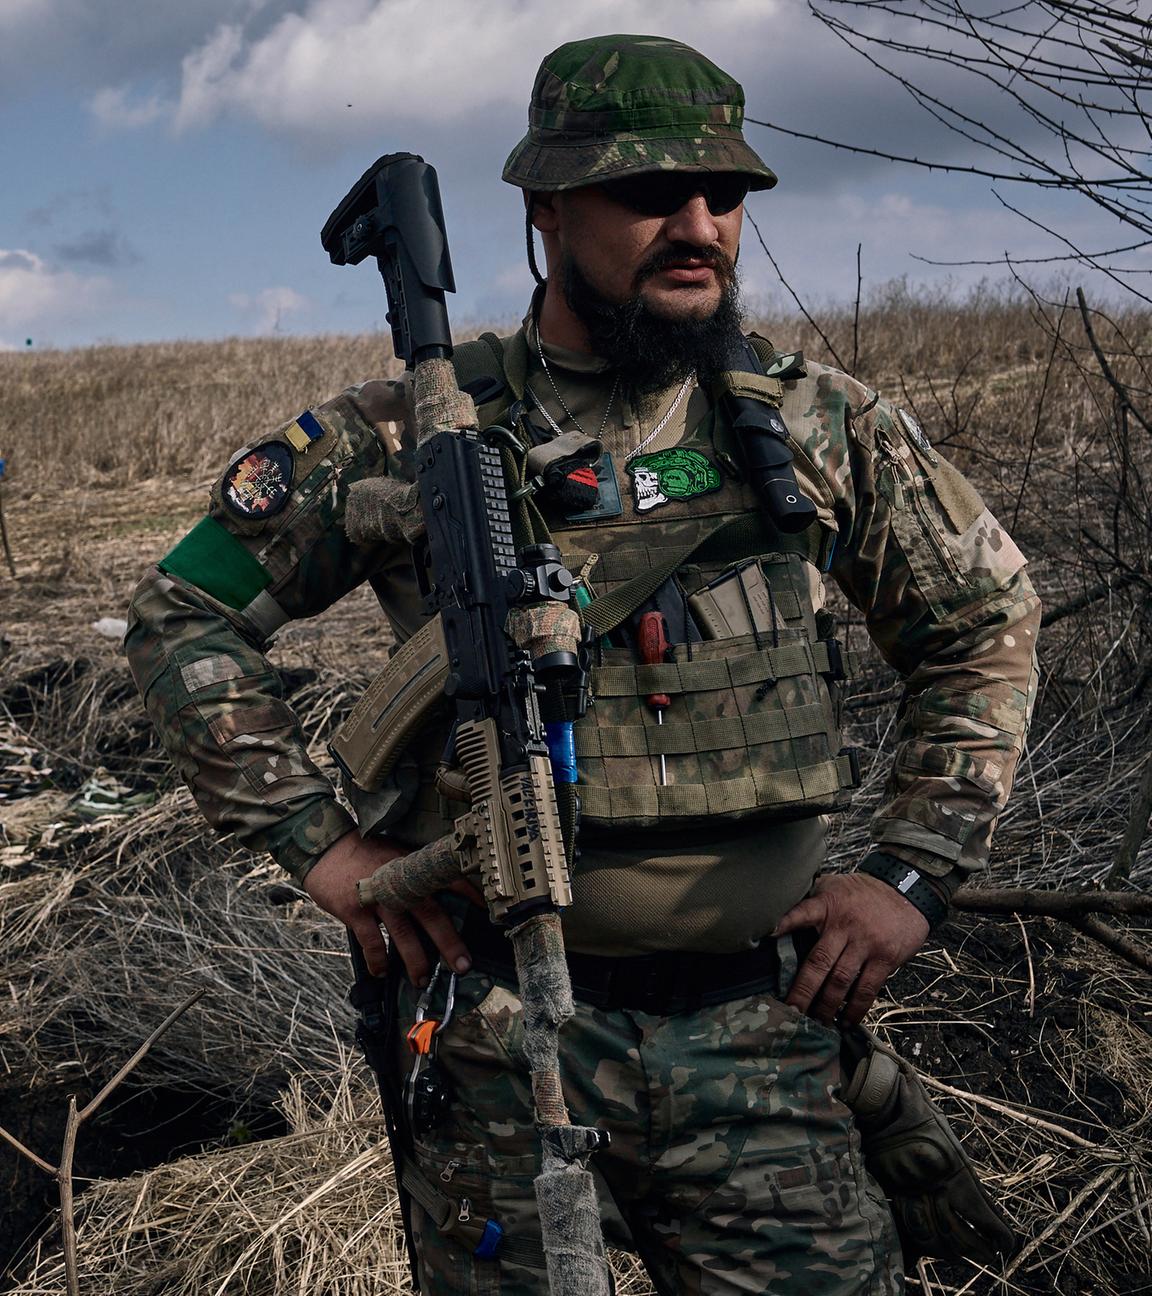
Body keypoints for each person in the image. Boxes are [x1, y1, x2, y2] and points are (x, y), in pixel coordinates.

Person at [126, 33, 1038, 1296]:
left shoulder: (816, 426)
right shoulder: (409, 433)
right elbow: (182, 614)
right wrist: (322, 849)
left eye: (724, 196)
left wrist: (913, 871)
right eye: (652, 193)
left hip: (758, 1036)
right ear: (544, 208)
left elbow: (984, 621)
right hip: (499, 1040)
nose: (700, 224)